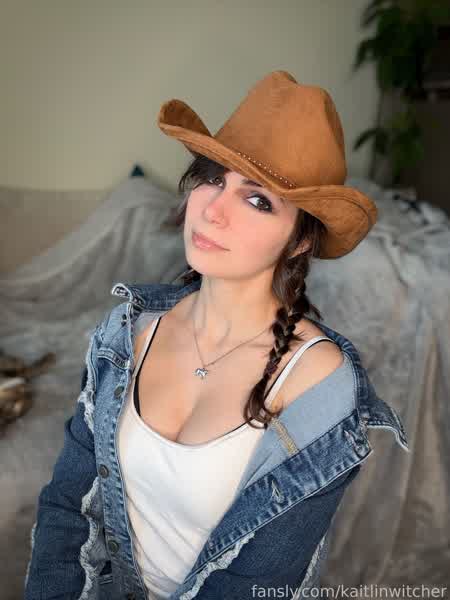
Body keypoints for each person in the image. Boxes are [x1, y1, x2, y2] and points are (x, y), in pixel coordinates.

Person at [24, 70, 409, 599]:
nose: (211, 210)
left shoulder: (319, 388)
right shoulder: (126, 333)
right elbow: (68, 509)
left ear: (300, 242)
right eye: (212, 179)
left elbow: (254, 583)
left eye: (257, 200)